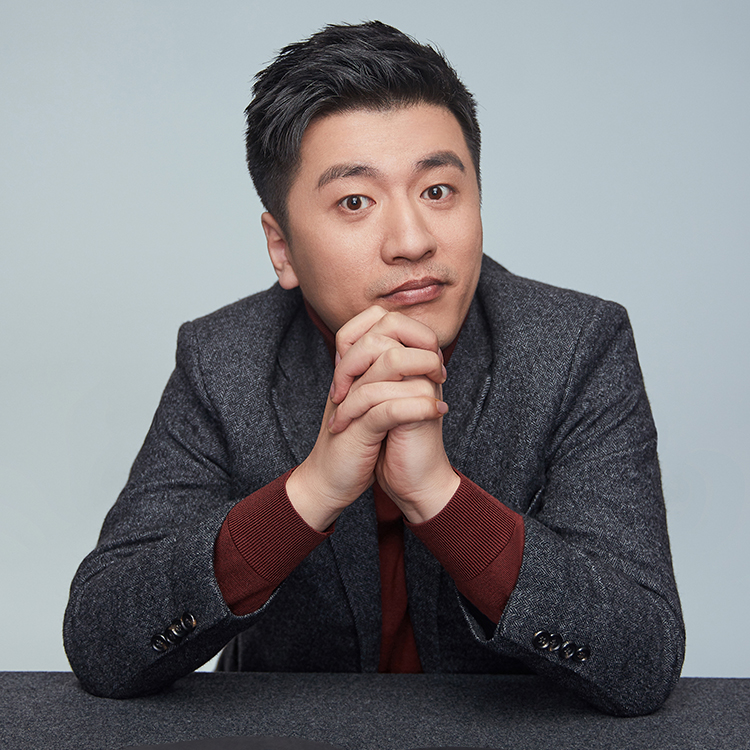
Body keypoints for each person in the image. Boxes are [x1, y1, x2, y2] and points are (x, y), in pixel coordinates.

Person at [63, 21, 684, 716]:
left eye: (438, 191)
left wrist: (442, 499)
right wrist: (310, 493)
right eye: (355, 202)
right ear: (282, 248)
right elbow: (103, 641)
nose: (412, 241)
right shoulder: (224, 359)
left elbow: (642, 657)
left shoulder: (576, 346)